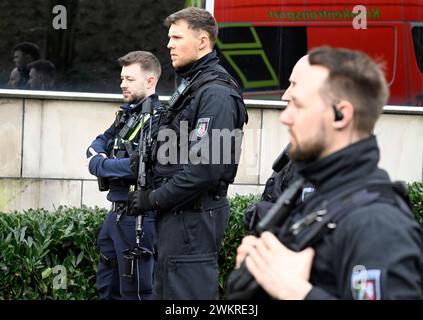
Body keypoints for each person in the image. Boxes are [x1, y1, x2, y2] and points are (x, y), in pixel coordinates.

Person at [235, 47, 423, 300]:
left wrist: (298, 292)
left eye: (299, 105)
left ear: (340, 115)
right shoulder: (320, 196)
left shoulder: (377, 222)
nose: (285, 117)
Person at [129, 7, 248, 299]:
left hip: (194, 221)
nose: (169, 44)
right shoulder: (193, 87)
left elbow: (207, 169)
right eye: (169, 37)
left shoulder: (215, 93)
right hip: (180, 217)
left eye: (177, 37)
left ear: (203, 41)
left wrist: (154, 199)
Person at [86, 51, 164, 300]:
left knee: (136, 292)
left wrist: (99, 164)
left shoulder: (159, 120)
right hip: (116, 214)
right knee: (107, 287)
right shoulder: (127, 115)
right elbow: (97, 143)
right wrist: (102, 160)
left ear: (150, 81)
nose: (122, 84)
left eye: (129, 79)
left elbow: (141, 164)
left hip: (139, 217)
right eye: (122, 78)